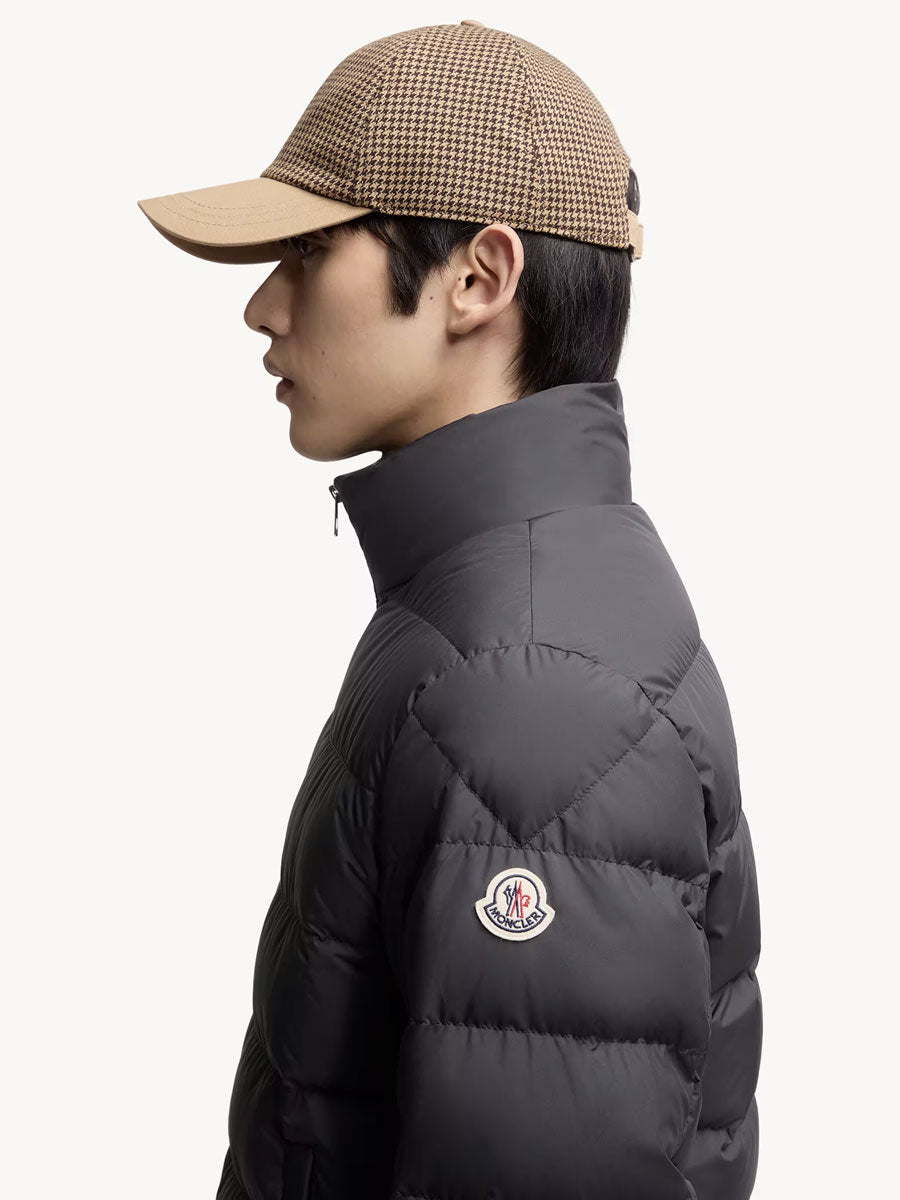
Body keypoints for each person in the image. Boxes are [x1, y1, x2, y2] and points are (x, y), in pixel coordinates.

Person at [138, 19, 762, 1200]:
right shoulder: (505, 610)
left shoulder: (532, 689)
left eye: (307, 252)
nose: (262, 309)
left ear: (479, 278)